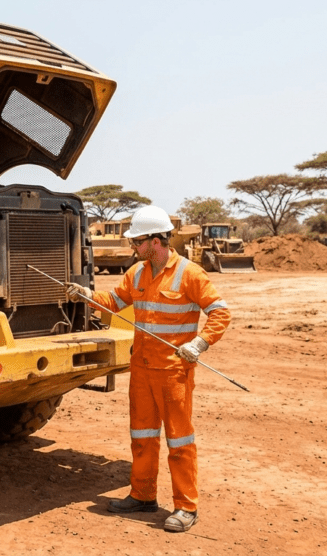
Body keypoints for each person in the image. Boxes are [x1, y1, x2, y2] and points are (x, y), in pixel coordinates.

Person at [68, 205, 231, 532]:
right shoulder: (137, 273)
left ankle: (186, 507)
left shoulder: (190, 274)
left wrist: (198, 344)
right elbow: (113, 302)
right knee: (142, 437)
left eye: (138, 241)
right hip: (141, 369)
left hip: (173, 372)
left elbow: (220, 313)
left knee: (179, 440)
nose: (132, 246)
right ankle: (143, 496)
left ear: (156, 240)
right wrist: (87, 295)